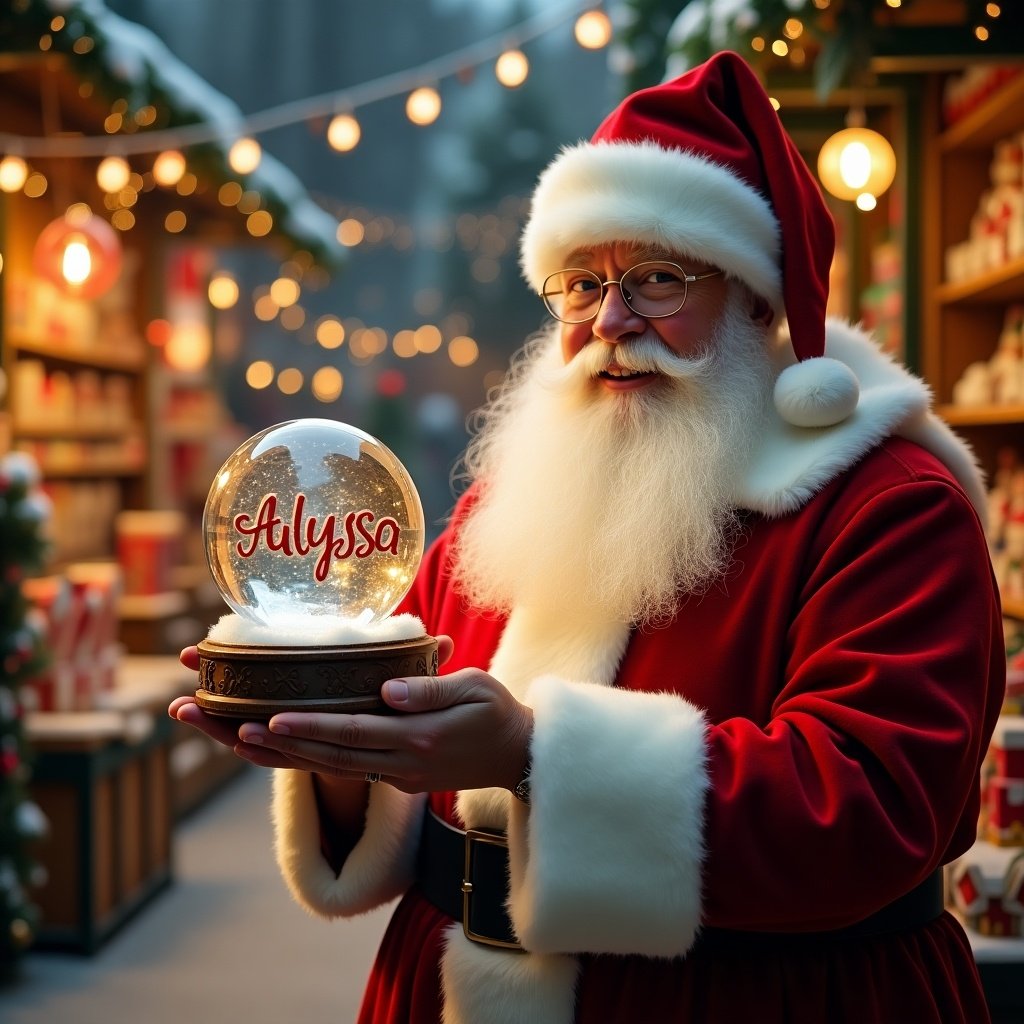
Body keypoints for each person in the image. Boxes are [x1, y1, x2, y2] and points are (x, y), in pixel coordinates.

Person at [170, 51, 1005, 1024]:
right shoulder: (513, 502)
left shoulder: (884, 505)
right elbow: (415, 742)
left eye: (656, 278)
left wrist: (533, 754)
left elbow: (868, 805)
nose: (610, 319)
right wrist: (328, 738)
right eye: (578, 283)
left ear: (756, 300)